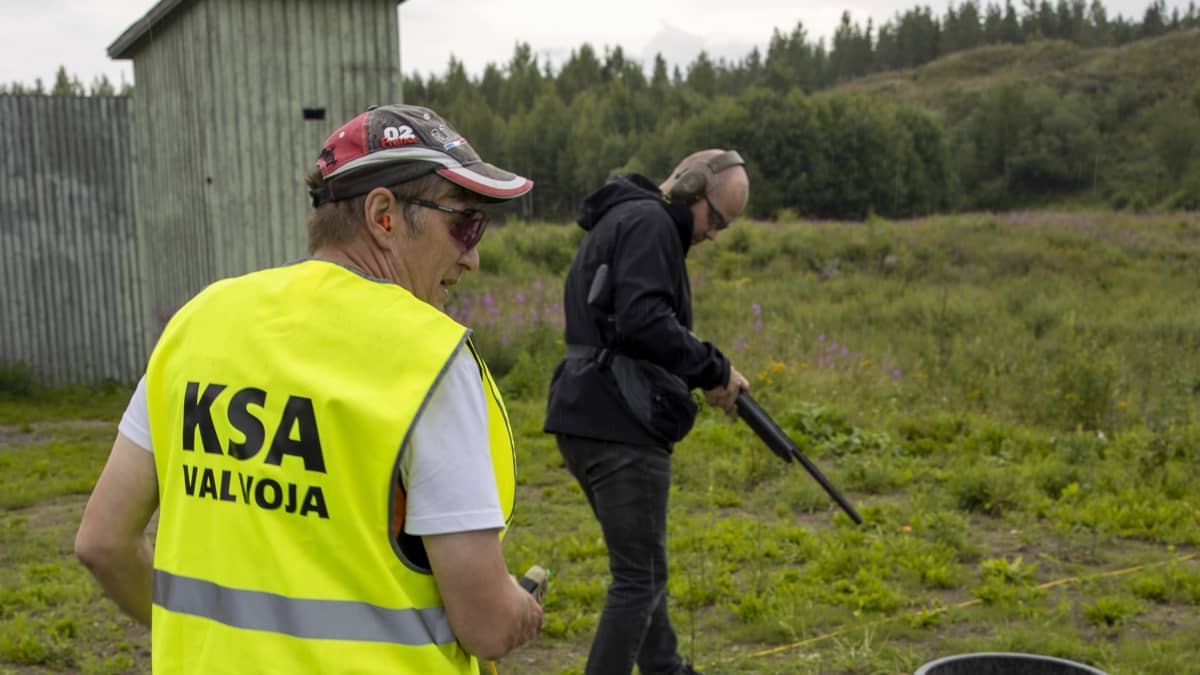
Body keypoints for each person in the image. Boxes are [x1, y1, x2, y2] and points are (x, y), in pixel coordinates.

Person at [74, 104, 543, 674]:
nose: (473, 256)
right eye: (465, 224)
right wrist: (520, 610)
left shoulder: (200, 322)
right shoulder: (430, 358)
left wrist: (197, 632)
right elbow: (487, 624)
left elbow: (102, 542)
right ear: (384, 216)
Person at [544, 149, 752, 675]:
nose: (713, 234)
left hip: (590, 412)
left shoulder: (629, 218)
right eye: (716, 218)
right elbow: (644, 321)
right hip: (620, 422)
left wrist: (703, 371)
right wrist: (714, 369)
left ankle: (666, 668)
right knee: (640, 578)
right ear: (691, 187)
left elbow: (630, 323)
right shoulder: (652, 223)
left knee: (642, 568)